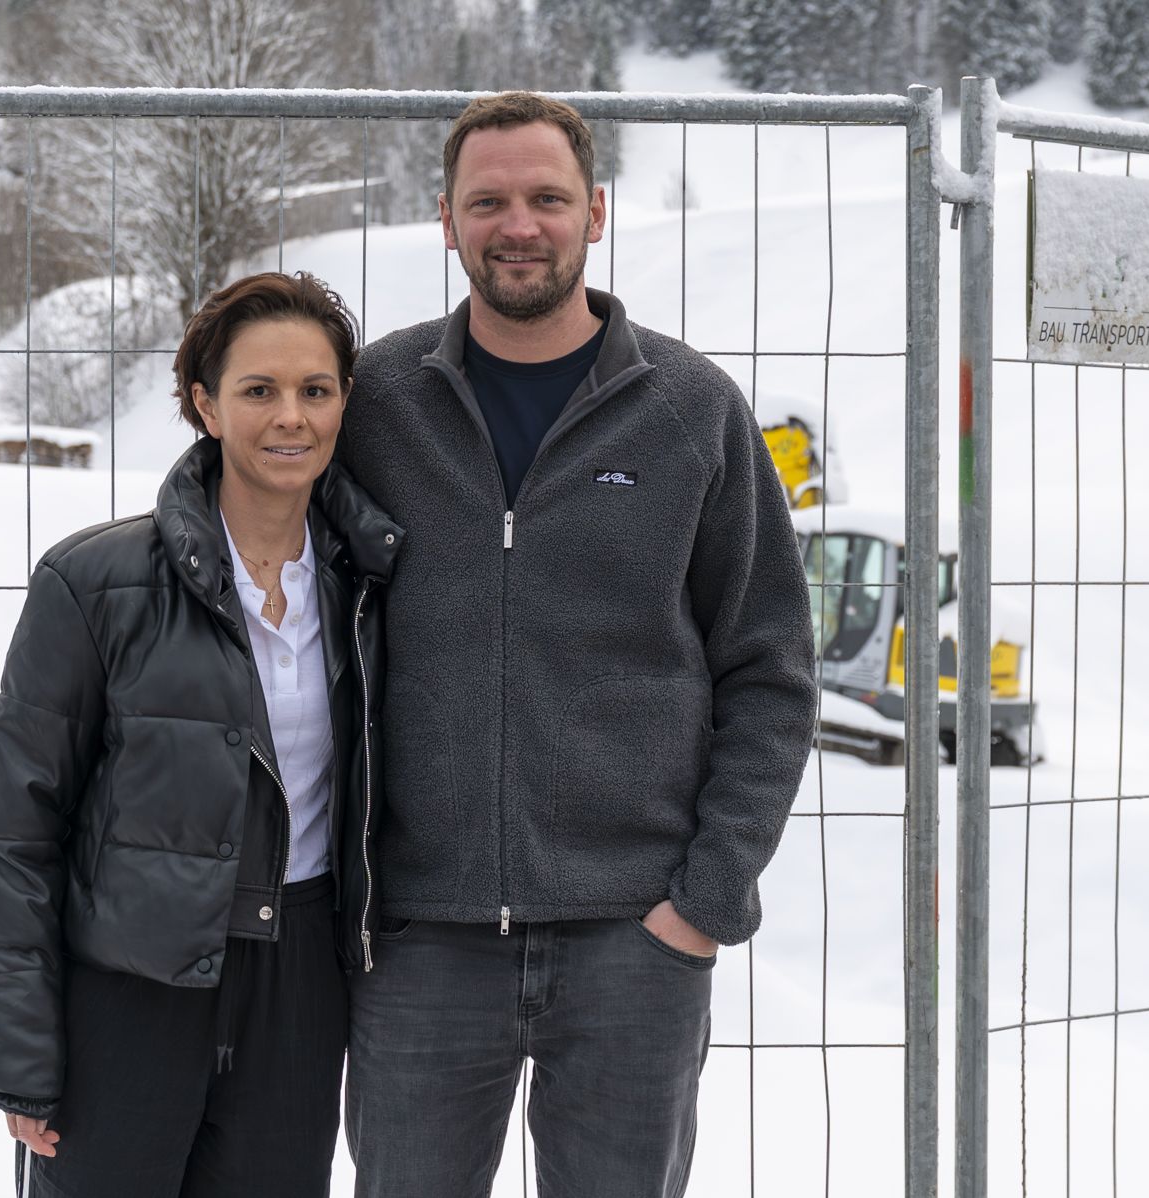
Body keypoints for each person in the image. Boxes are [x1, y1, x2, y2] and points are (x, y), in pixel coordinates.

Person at [338, 92, 819, 1197]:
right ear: (444, 219)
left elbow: (772, 671)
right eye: (489, 200)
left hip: (632, 946)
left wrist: (699, 904)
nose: (520, 224)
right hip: (422, 939)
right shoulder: (376, 404)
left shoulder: (692, 410)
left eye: (548, 198)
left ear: (595, 212)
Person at [0, 271, 401, 1198]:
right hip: (127, 991)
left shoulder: (371, 584)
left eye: (315, 391)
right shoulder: (93, 584)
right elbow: (12, 833)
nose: (291, 417)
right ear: (204, 404)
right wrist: (22, 1049)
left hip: (300, 985)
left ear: (344, 403)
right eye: (258, 390)